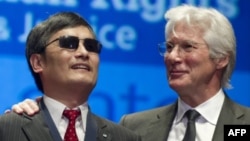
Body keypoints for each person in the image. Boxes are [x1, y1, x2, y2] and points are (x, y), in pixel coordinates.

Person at [9, 5, 250, 141]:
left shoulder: (245, 126)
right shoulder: (133, 129)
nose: (172, 57)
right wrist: (38, 111)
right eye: (168, 47)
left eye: (187, 46)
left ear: (221, 58)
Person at [0, 12, 141, 141]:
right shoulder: (7, 129)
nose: (83, 53)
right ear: (38, 62)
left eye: (91, 46)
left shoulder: (125, 138)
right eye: (69, 44)